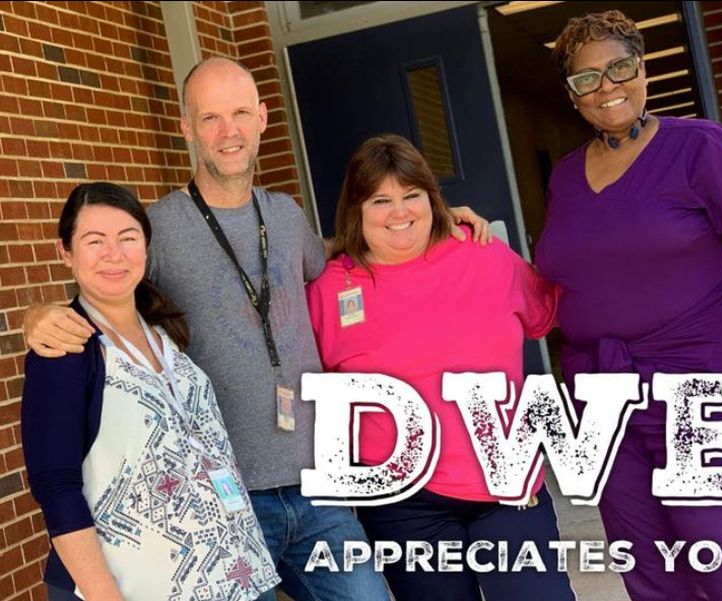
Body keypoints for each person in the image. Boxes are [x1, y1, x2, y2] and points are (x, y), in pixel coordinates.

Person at [23, 57, 490, 601]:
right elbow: (107, 282)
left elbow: (346, 255)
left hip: (319, 486)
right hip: (226, 499)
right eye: (211, 118)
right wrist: (41, 314)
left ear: (263, 118)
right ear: (187, 127)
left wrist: (429, 216)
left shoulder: (288, 217)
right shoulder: (158, 229)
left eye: (240, 113)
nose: (229, 132)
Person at [535, 10, 722, 600]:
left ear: (642, 67)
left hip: (702, 388)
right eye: (587, 79)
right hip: (605, 401)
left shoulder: (703, 148)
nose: (607, 88)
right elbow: (560, 280)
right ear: (571, 93)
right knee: (652, 570)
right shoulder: (568, 178)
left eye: (620, 67)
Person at [305, 134, 576, 601]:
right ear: (356, 208)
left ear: (433, 199)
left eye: (412, 196)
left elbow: (553, 311)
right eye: (380, 200)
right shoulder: (329, 287)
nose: (400, 212)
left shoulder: (483, 252)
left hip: (506, 485)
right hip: (404, 504)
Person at [22, 182, 280, 601]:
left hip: (235, 573)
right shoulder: (64, 350)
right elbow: (56, 488)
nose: (114, 253)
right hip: (135, 587)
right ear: (65, 252)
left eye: (128, 238)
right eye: (94, 241)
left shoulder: (164, 330)